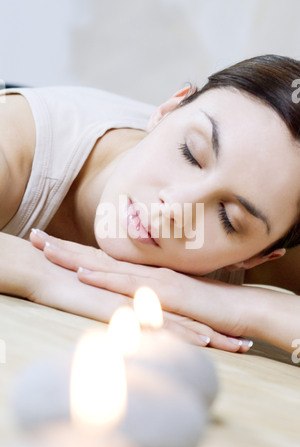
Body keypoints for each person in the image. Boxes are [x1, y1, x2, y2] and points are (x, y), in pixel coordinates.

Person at [1, 55, 300, 354]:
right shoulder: (16, 143)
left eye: (227, 218)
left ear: (256, 258)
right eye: (190, 154)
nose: (175, 207)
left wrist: (247, 308)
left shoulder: (276, 207)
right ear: (167, 110)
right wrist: (48, 276)